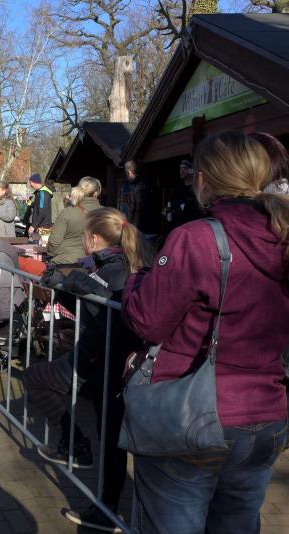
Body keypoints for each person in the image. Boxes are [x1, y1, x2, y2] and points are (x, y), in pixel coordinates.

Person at [122, 131, 289, 534]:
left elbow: (147, 320)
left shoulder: (196, 238)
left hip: (192, 413)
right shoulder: (282, 235)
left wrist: (135, 282)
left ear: (202, 179)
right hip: (266, 413)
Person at [25, 207, 152, 532]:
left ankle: (107, 505)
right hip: (107, 360)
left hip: (109, 363)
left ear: (93, 239)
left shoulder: (116, 270)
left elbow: (108, 316)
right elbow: (94, 308)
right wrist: (66, 289)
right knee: (109, 436)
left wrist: (72, 286)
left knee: (111, 438)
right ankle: (106, 500)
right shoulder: (117, 263)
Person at [47, 177, 103, 264]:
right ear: (96, 193)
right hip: (98, 264)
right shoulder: (109, 215)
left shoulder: (67, 212)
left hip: (67, 263)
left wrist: (63, 254)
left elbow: (53, 243)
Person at [121, 160, 161, 241]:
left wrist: (127, 224)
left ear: (129, 172)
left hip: (140, 230)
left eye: (126, 172)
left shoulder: (137, 187)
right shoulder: (151, 183)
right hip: (153, 227)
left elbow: (134, 208)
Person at [165, 160, 202, 233]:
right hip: (177, 230)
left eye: (185, 168)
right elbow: (171, 206)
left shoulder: (197, 189)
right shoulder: (178, 190)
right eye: (180, 168)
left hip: (192, 231)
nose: (181, 171)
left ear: (192, 170)